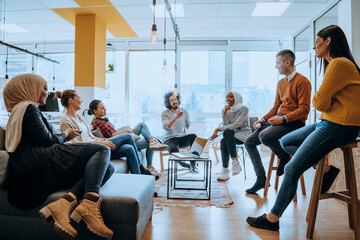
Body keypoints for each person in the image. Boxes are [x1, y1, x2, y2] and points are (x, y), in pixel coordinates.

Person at [246, 25, 360, 232]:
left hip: (339, 125)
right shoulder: (333, 66)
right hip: (329, 122)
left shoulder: (338, 65)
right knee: (285, 141)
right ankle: (323, 167)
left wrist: (325, 98)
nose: (314, 47)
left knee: (291, 168)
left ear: (328, 41)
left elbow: (318, 103)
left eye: (317, 42)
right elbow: (324, 102)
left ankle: (272, 219)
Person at [3, 74, 114, 240]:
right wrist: (66, 134)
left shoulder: (19, 110)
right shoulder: (28, 108)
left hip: (33, 162)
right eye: (45, 88)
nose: (48, 93)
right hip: (40, 160)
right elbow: (48, 140)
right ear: (29, 88)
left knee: (108, 167)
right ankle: (89, 205)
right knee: (102, 150)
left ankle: (65, 202)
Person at [244, 49, 311, 194]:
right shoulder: (281, 83)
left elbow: (305, 109)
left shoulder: (302, 81)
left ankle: (283, 156)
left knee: (265, 136)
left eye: (277, 63)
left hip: (294, 122)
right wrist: (263, 119)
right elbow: (276, 107)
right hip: (279, 119)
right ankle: (261, 179)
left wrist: (284, 118)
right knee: (248, 142)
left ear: (288, 62)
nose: (276, 66)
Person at [57, 90, 157, 179]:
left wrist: (102, 141)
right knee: (128, 136)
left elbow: (91, 137)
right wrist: (101, 144)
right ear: (71, 101)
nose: (81, 100)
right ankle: (141, 168)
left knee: (128, 148)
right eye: (79, 98)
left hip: (97, 145)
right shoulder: (65, 121)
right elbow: (75, 146)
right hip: (91, 151)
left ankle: (139, 181)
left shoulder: (80, 117)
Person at [88, 99, 168, 173]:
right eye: (102, 108)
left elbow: (114, 132)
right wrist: (126, 131)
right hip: (118, 143)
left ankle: (153, 143)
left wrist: (127, 130)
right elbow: (111, 136)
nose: (105, 109)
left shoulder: (103, 120)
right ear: (95, 111)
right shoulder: (97, 122)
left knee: (141, 125)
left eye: (104, 107)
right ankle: (150, 164)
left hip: (120, 139)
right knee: (149, 141)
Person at [209, 91, 251, 181]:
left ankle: (230, 167)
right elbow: (226, 125)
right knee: (224, 139)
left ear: (237, 98)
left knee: (226, 135)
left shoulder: (244, 109)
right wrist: (224, 113)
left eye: (231, 97)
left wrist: (217, 129)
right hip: (230, 136)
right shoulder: (226, 110)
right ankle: (230, 167)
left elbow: (236, 125)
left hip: (243, 134)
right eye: (227, 97)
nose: (228, 99)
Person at [161, 91, 198, 173]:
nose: (175, 102)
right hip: (170, 139)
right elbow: (166, 127)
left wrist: (197, 129)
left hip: (182, 138)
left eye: (176, 99)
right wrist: (175, 117)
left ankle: (193, 164)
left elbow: (189, 126)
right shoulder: (165, 113)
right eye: (172, 100)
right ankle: (184, 164)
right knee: (174, 150)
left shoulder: (184, 112)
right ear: (168, 102)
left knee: (194, 137)